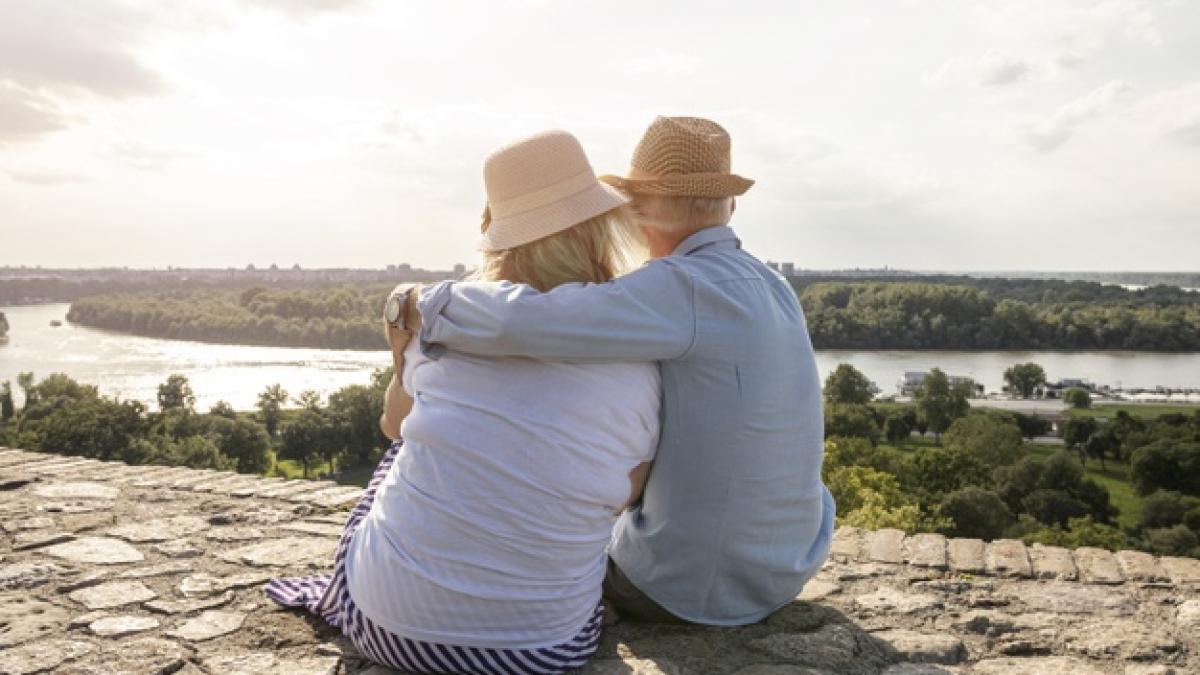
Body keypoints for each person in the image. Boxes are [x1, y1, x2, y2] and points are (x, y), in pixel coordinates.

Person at [266, 130, 661, 674]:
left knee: (402, 450)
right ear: (598, 230)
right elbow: (627, 492)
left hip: (390, 632)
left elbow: (392, 425)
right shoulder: (639, 354)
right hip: (542, 650)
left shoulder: (449, 327)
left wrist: (401, 349)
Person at [416, 116, 835, 626]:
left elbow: (524, 321)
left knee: (558, 548)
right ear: (730, 204)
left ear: (638, 207)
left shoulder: (679, 287)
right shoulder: (772, 286)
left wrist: (421, 304)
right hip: (786, 567)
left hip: (691, 585)